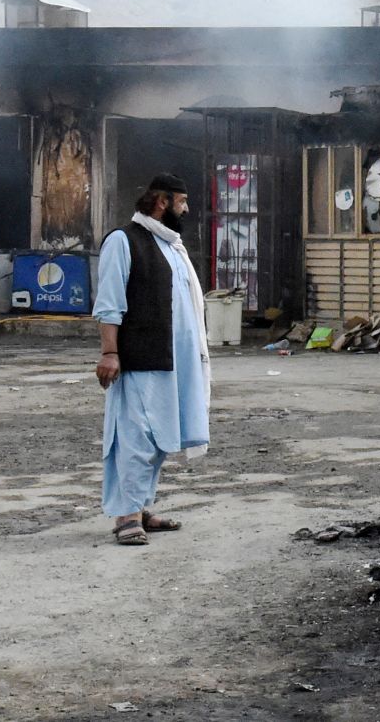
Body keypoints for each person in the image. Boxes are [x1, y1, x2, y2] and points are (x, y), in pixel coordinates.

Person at [94, 174, 211, 545]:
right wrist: (110, 352)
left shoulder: (172, 246)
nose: (186, 209)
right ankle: (126, 516)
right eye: (182, 201)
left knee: (161, 438)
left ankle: (141, 507)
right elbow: (110, 303)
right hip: (140, 357)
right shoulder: (123, 241)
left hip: (175, 360)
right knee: (135, 438)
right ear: (162, 201)